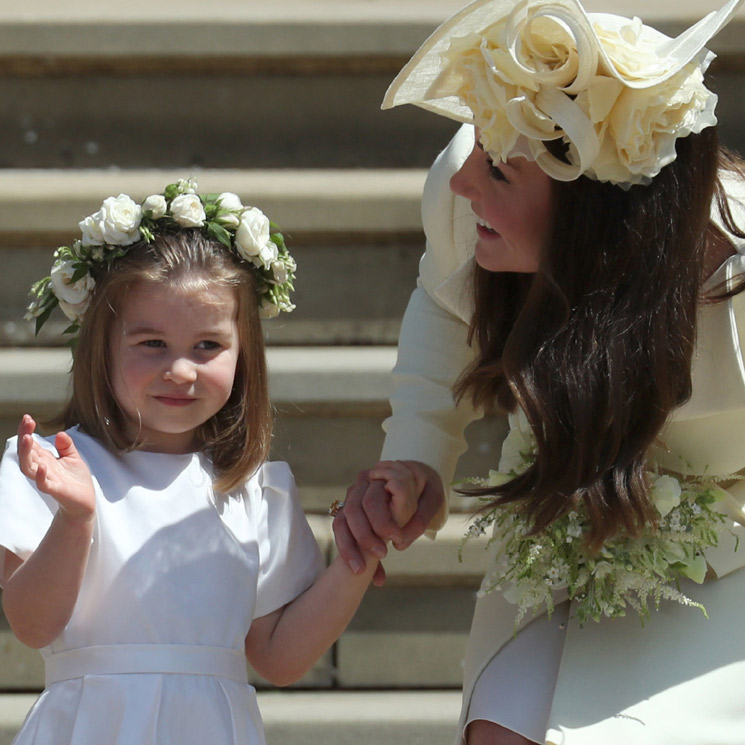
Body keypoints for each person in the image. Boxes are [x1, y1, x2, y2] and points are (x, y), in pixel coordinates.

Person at [332, 0, 745, 743]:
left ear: (597, 210)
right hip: (561, 510)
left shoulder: (734, 282)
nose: (463, 185)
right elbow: (443, 306)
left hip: (728, 566)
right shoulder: (463, 195)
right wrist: (418, 453)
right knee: (502, 731)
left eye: (497, 171)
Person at [0, 180, 416, 745]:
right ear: (102, 342)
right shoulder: (53, 467)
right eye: (151, 343)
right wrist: (75, 519)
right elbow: (31, 624)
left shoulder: (254, 488)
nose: (181, 370)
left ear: (244, 352)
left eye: (206, 346)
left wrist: (359, 555)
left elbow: (279, 656)